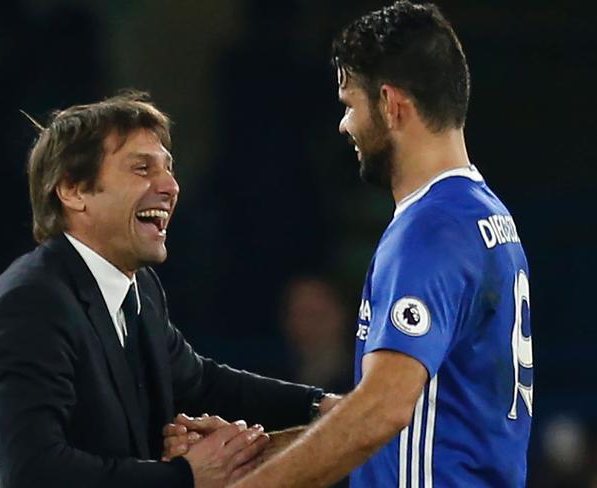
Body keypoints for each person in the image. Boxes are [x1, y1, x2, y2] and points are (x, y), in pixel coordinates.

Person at [226, 2, 534, 486]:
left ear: (391, 105)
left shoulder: (429, 231)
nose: (343, 125)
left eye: (350, 104)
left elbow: (383, 411)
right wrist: (247, 456)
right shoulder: (485, 214)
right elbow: (403, 412)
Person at [0, 92, 337, 488]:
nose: (171, 186)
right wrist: (186, 476)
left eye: (168, 169)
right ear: (73, 190)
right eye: (142, 169)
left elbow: (200, 383)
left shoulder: (138, 287)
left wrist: (321, 405)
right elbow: (32, 474)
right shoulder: (30, 306)